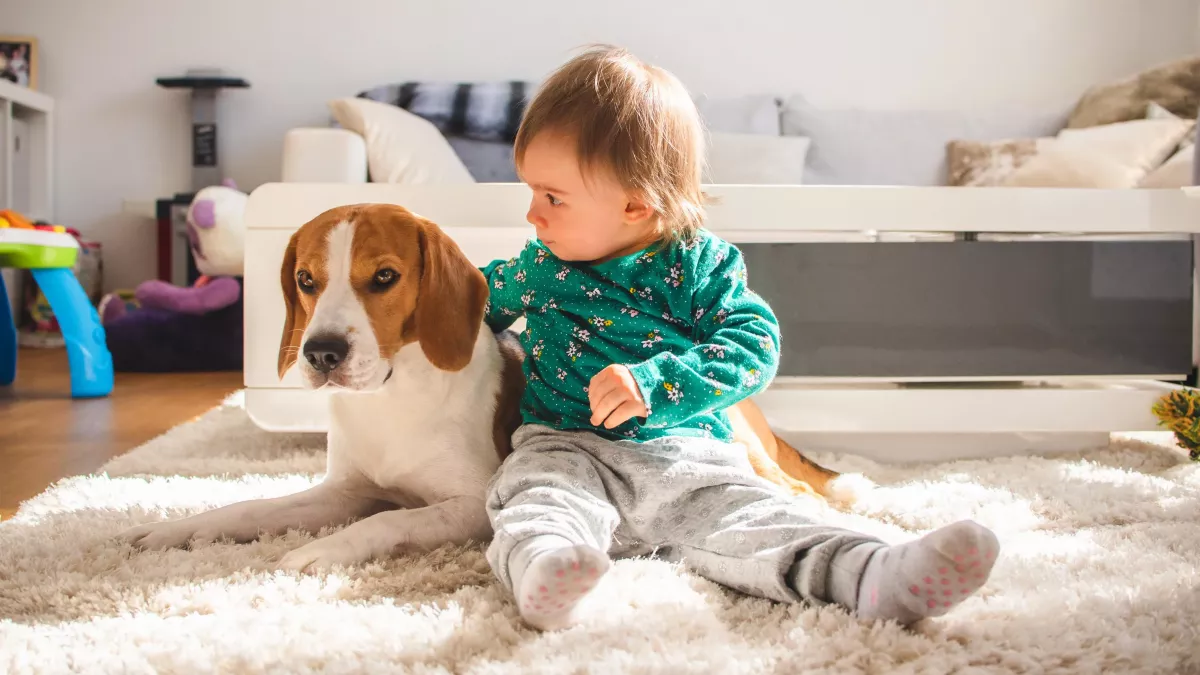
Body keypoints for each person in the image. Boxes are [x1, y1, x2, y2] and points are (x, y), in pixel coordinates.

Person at [479, 44, 999, 631]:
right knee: (534, 499)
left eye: (552, 197)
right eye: (532, 192)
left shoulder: (698, 267)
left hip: (684, 453)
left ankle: (875, 574)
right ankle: (546, 573)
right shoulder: (540, 267)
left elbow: (754, 346)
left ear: (635, 204)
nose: (532, 215)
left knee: (759, 521)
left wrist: (661, 382)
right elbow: (471, 305)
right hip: (565, 446)